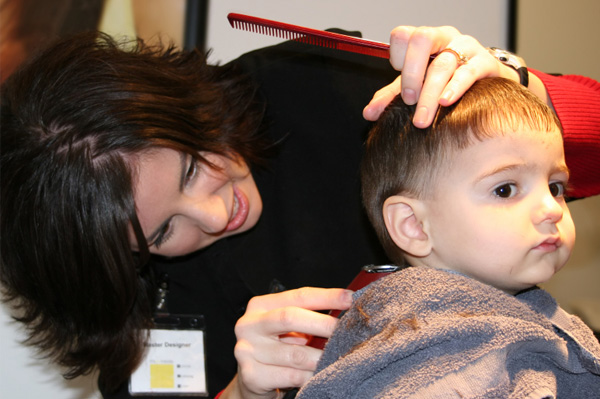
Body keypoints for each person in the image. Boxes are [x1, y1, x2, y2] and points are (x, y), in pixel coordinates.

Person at [1, 24, 599, 399]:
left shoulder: (314, 84)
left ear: (186, 107)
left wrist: (518, 87)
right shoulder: (132, 313)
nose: (213, 214)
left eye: (190, 168)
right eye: (163, 231)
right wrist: (244, 395)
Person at [297, 77, 600, 398]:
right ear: (413, 225)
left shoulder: (512, 326)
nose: (550, 208)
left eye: (555, 187)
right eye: (505, 189)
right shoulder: (428, 367)